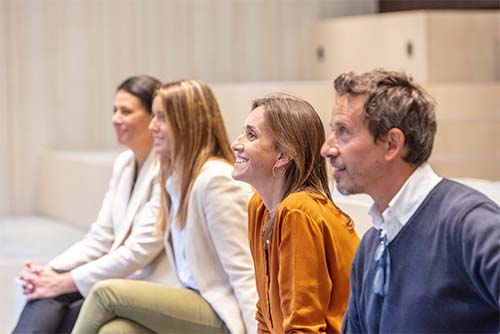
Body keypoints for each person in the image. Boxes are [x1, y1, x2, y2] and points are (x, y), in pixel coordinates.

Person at [320, 69, 500, 333]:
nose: (328, 148)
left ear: (392, 143)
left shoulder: (470, 224)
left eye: (343, 131)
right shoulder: (370, 247)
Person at [73, 79, 258, 334]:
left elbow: (245, 271)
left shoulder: (216, 180)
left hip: (220, 311)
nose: (152, 126)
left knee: (105, 292)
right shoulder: (175, 179)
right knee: (115, 331)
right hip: (189, 299)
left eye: (161, 117)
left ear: (187, 123)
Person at [13, 75, 178, 333]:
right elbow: (99, 238)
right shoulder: (124, 164)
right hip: (118, 276)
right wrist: (49, 271)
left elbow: (137, 252)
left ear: (152, 118)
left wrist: (62, 281)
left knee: (62, 307)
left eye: (126, 111)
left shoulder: (169, 170)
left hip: (150, 283)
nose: (116, 118)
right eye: (114, 110)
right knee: (44, 295)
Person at [231, 93, 360, 333]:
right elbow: (265, 316)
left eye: (251, 135)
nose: (236, 144)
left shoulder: (298, 211)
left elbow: (304, 328)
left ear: (283, 155)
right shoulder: (259, 206)